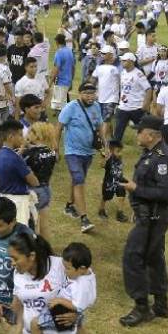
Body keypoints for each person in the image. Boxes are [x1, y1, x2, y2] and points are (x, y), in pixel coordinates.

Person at [120, 115, 168, 328]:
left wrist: (136, 189)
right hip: (149, 214)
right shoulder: (151, 154)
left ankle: (142, 307)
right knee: (154, 257)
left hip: (153, 217)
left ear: (151, 135)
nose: (136, 134)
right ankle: (161, 304)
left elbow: (166, 194)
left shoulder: (162, 158)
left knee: (133, 257)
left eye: (140, 131)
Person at [58, 81, 106, 235]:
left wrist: (104, 147)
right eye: (87, 94)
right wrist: (55, 147)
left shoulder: (97, 107)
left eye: (92, 93)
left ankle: (69, 205)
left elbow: (99, 127)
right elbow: (58, 127)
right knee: (79, 179)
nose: (90, 96)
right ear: (80, 94)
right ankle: (84, 219)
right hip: (72, 152)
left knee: (77, 180)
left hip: (88, 152)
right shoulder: (70, 108)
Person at [0, 120, 40, 228]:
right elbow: (34, 182)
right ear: (11, 137)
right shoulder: (15, 159)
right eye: (20, 135)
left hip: (5, 200)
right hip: (19, 203)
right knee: (23, 236)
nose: (22, 139)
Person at [22, 120, 58, 241]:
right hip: (46, 188)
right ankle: (48, 251)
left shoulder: (29, 153)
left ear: (37, 135)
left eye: (31, 131)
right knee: (44, 225)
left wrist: (23, 148)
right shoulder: (51, 152)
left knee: (31, 225)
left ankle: (35, 251)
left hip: (33, 191)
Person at [112, 52, 151, 143]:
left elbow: (148, 89)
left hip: (136, 108)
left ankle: (149, 148)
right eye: (122, 60)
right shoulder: (123, 73)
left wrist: (145, 105)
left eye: (124, 61)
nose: (122, 62)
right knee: (117, 133)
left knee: (144, 131)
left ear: (131, 62)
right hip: (123, 108)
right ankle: (114, 152)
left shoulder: (138, 74)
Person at [98, 139, 128, 222]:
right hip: (109, 182)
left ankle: (120, 213)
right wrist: (105, 158)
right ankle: (101, 210)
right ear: (111, 151)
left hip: (119, 181)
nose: (120, 153)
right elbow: (102, 165)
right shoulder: (109, 159)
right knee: (106, 197)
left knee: (122, 195)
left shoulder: (119, 158)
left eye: (121, 151)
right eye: (118, 151)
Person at [50, 33, 75, 113]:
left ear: (57, 42)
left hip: (60, 81)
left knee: (59, 105)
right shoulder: (70, 51)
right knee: (64, 101)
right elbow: (73, 67)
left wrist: (50, 82)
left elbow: (56, 69)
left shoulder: (59, 53)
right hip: (67, 80)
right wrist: (71, 80)